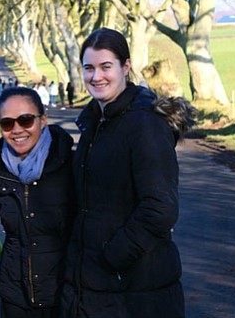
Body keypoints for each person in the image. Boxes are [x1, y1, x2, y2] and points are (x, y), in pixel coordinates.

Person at [60, 28, 192, 318]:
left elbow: (160, 208)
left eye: (106, 66)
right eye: (89, 68)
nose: (96, 77)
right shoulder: (96, 121)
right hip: (100, 289)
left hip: (136, 289)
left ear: (126, 67)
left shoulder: (145, 125)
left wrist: (112, 257)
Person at [0, 87, 75, 318]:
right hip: (16, 297)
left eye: (26, 120)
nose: (17, 130)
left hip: (65, 293)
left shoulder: (71, 165)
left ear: (43, 120)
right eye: (8, 124)